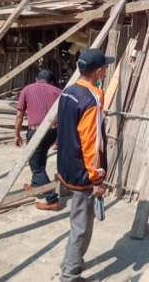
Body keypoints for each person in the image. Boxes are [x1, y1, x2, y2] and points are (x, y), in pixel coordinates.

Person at [57, 48, 114, 282]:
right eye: (106, 67)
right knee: (81, 226)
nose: (107, 70)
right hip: (82, 172)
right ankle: (70, 276)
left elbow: (62, 127)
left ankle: (72, 264)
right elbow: (91, 143)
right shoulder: (92, 99)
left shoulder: (68, 92)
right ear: (98, 71)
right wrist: (97, 179)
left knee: (77, 221)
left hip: (66, 166)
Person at [15, 69, 62, 211]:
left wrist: (16, 134)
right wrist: (59, 137)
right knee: (39, 157)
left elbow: (19, 115)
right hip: (54, 130)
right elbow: (64, 114)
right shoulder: (58, 91)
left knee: (36, 166)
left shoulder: (27, 89)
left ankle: (52, 200)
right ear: (51, 81)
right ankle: (36, 185)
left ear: (36, 79)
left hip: (37, 131)